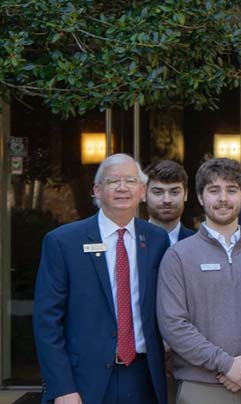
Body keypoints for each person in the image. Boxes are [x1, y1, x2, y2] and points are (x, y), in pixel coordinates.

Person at [34, 154, 171, 404]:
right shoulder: (63, 242)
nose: (122, 187)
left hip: (144, 378)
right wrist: (61, 387)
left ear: (142, 191)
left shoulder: (157, 240)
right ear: (97, 190)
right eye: (112, 181)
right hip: (83, 381)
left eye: (130, 180)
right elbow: (47, 321)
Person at [156, 158, 241, 403]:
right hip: (200, 386)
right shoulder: (178, 256)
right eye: (214, 190)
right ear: (200, 197)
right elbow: (173, 324)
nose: (223, 198)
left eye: (231, 190)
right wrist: (226, 364)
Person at [144, 159, 195, 246]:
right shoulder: (132, 243)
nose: (167, 200)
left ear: (186, 194)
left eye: (174, 192)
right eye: (158, 192)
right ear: (143, 194)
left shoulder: (199, 244)